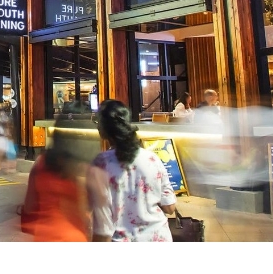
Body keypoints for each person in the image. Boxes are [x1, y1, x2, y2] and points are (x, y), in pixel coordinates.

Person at [87, 99, 176, 242]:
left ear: (102, 130)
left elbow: (103, 230)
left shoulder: (101, 164)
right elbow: (170, 207)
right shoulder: (152, 158)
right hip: (159, 238)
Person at [21, 126, 89, 242]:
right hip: (74, 236)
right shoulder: (78, 168)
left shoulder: (39, 163)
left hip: (45, 235)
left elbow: (28, 206)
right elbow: (83, 213)